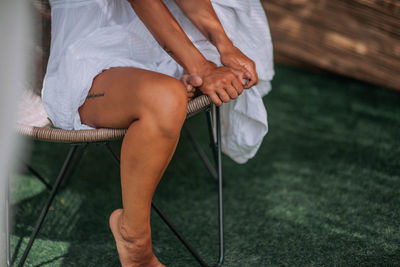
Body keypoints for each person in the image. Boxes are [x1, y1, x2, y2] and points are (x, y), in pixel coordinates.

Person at [42, 0, 274, 266]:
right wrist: (202, 67)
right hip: (90, 54)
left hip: (160, 47)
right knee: (165, 100)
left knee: (172, 96)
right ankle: (135, 242)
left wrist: (225, 46)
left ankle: (176, 78)